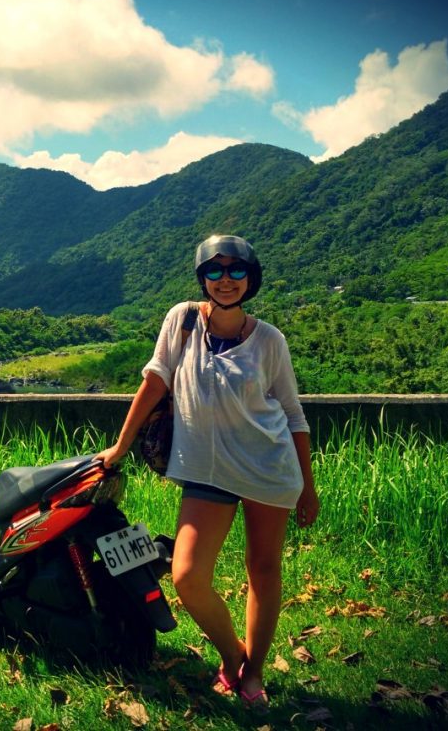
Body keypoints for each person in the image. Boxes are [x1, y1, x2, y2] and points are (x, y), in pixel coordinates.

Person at [96, 234, 319, 709]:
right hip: (207, 471)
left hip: (267, 467)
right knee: (187, 576)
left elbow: (293, 415)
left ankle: (254, 672)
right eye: (215, 271)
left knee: (262, 569)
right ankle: (232, 655)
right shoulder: (181, 321)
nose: (225, 280)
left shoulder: (269, 340)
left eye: (236, 271)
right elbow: (155, 382)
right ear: (202, 278)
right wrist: (121, 444)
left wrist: (308, 487)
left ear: (250, 279)